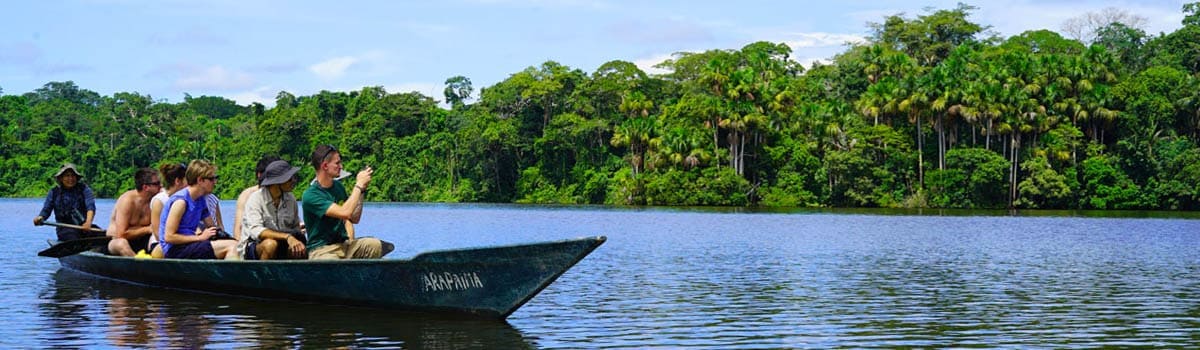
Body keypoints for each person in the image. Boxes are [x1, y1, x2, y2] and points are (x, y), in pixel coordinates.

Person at [301, 144, 382, 259]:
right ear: (325, 166)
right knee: (331, 261)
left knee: (374, 245)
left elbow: (354, 218)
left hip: (343, 245)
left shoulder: (338, 187)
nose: (341, 166)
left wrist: (362, 190)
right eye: (337, 163)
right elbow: (345, 212)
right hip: (322, 250)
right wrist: (358, 185)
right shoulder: (311, 195)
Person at [160, 160, 236, 259]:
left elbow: (212, 227)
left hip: (190, 245)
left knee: (236, 244)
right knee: (232, 247)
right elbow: (169, 237)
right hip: (175, 249)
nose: (215, 182)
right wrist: (199, 237)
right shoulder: (181, 202)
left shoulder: (200, 200)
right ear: (200, 180)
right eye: (212, 179)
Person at [237, 160, 306, 260]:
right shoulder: (256, 199)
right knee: (270, 245)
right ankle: (263, 275)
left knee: (298, 247)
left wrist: (296, 240)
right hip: (255, 246)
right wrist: (287, 237)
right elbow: (257, 231)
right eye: (289, 179)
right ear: (278, 182)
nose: (293, 181)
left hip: (283, 243)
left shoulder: (291, 199)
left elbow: (295, 227)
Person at [34, 163, 103, 241]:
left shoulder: (84, 189)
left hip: (84, 226)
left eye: (73, 176)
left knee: (102, 235)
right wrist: (40, 218)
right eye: (67, 176)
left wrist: (88, 222)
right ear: (61, 178)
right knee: (73, 237)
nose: (70, 179)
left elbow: (90, 206)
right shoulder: (54, 192)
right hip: (65, 229)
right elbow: (46, 210)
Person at [106, 168, 160, 256]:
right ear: (145, 187)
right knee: (121, 244)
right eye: (157, 184)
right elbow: (121, 234)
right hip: (117, 240)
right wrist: (148, 229)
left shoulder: (156, 200)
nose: (161, 186)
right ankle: (140, 265)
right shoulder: (127, 201)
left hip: (143, 240)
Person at [234, 155, 281, 242]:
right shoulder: (247, 195)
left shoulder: (284, 195)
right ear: (260, 174)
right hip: (255, 242)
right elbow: (239, 228)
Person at [148, 162, 188, 259]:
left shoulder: (187, 197)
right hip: (160, 244)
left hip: (181, 240)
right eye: (187, 180)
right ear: (178, 181)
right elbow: (157, 233)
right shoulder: (159, 200)